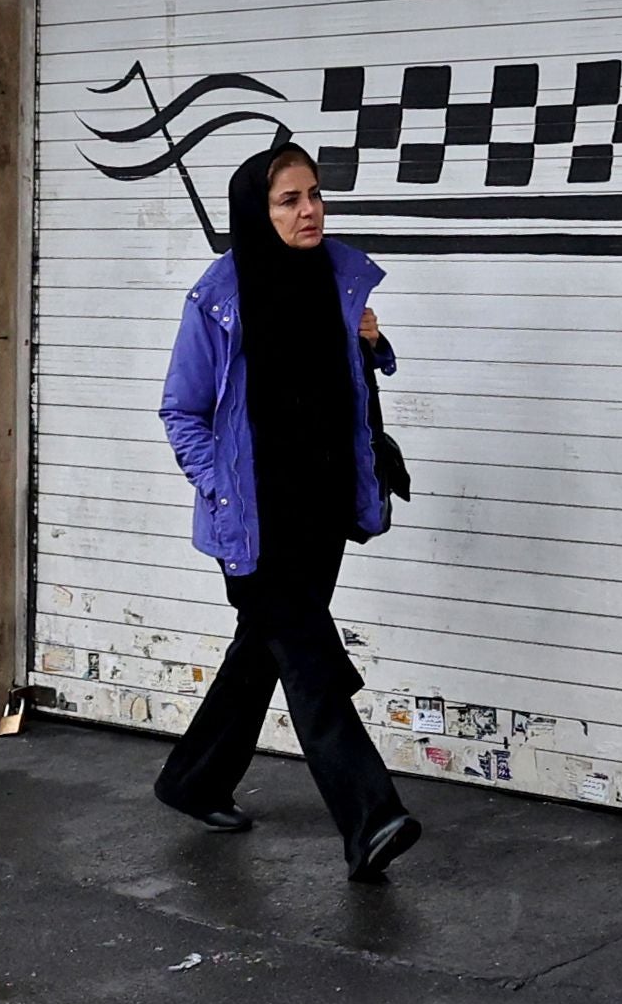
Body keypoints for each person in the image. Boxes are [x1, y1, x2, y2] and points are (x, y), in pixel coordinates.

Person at [152, 143, 424, 881]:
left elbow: (342, 381)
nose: (309, 211)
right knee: (311, 666)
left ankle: (194, 778)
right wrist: (223, 486)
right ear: (255, 210)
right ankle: (371, 820)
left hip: (323, 505)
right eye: (288, 200)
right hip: (255, 519)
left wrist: (374, 343)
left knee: (262, 654)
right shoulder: (219, 296)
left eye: (315, 195)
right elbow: (182, 411)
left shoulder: (337, 277)